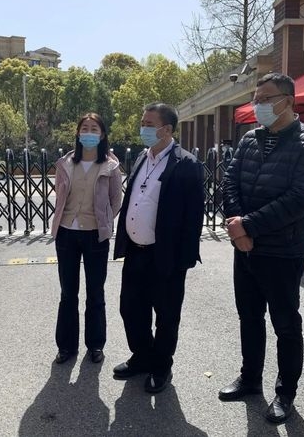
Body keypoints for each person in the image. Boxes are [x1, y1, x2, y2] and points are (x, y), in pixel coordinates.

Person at [218, 73, 304, 423]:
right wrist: (238, 228)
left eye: (265, 98)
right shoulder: (250, 138)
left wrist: (248, 226)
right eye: (256, 98)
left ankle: (285, 392)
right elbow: (229, 182)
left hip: (282, 250)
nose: (258, 105)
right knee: (249, 317)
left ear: (288, 101)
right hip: (245, 248)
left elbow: (300, 198)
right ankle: (250, 378)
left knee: (285, 323)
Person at [112, 102, 204, 394]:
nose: (143, 129)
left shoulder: (186, 164)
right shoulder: (142, 157)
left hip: (166, 255)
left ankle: (161, 365)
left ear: (167, 129)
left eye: (149, 124)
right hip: (136, 251)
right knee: (131, 308)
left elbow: (194, 216)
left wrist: (184, 259)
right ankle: (142, 356)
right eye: (143, 123)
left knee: (166, 314)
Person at [50, 112, 123, 364]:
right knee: (68, 293)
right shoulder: (65, 164)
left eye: (94, 129)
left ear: (101, 135)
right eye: (84, 128)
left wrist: (103, 220)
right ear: (78, 133)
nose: (88, 133)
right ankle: (66, 346)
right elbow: (60, 196)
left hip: (95, 235)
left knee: (95, 293)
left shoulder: (110, 166)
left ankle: (96, 344)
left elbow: (116, 201)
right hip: (67, 233)